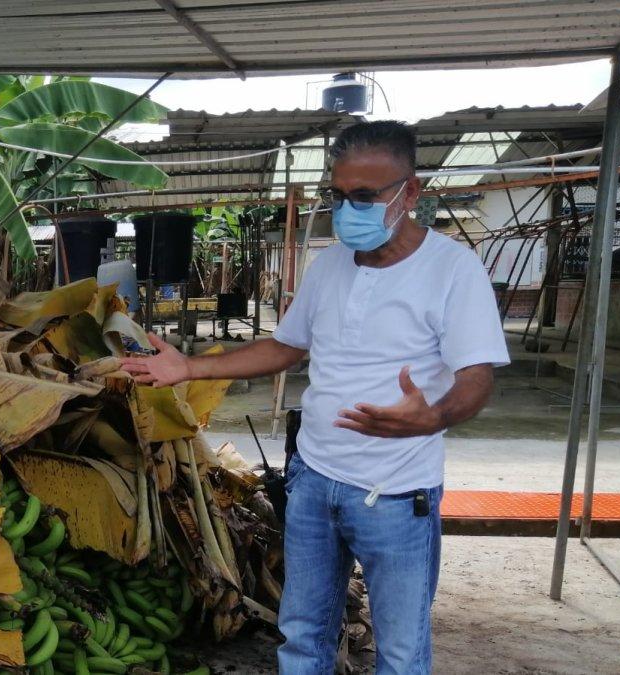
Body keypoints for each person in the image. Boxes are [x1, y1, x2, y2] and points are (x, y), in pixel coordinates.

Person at [121, 121, 509, 674]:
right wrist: (189, 366)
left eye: (365, 197)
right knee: (302, 634)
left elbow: (477, 377)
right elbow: (284, 346)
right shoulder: (328, 265)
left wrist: (433, 416)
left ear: (411, 191)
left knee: (400, 652)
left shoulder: (452, 270)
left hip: (396, 494)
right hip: (314, 483)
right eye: (339, 194)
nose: (349, 208)